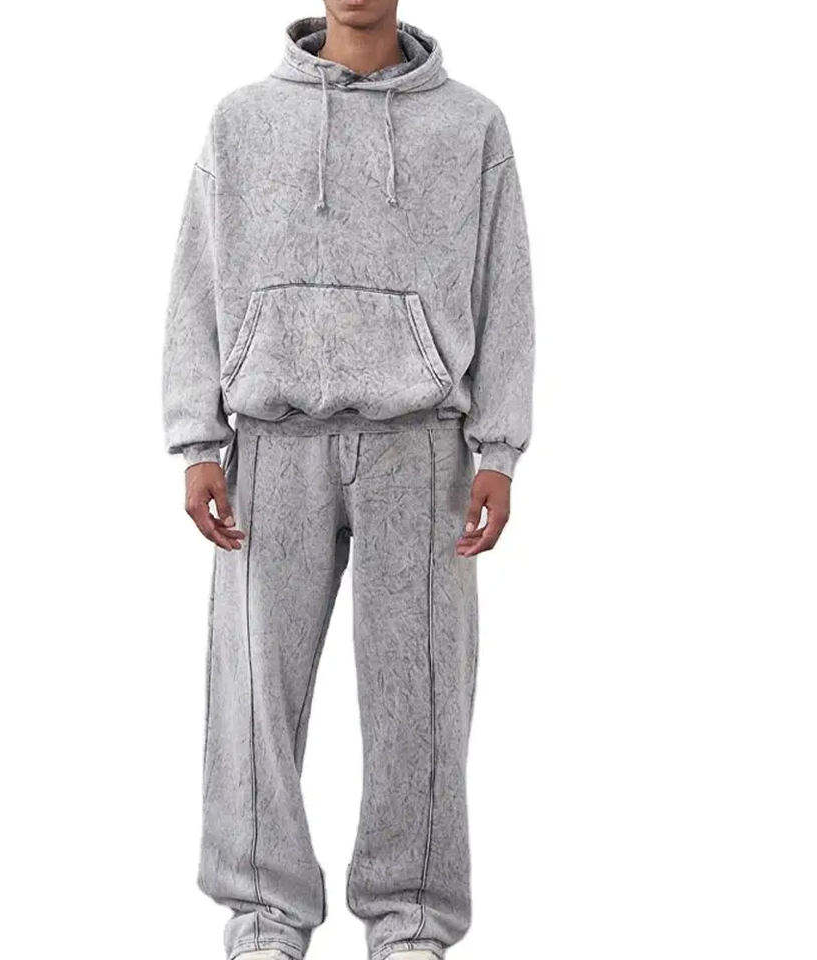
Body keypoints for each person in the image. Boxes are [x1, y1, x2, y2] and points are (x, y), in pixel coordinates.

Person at [162, 1, 534, 957]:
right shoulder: (243, 120)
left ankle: (410, 920)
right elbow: (198, 279)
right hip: (272, 439)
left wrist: (500, 449)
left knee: (421, 695)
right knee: (256, 688)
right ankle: (263, 914)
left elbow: (505, 286)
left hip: (423, 444)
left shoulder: (471, 125)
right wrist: (196, 440)